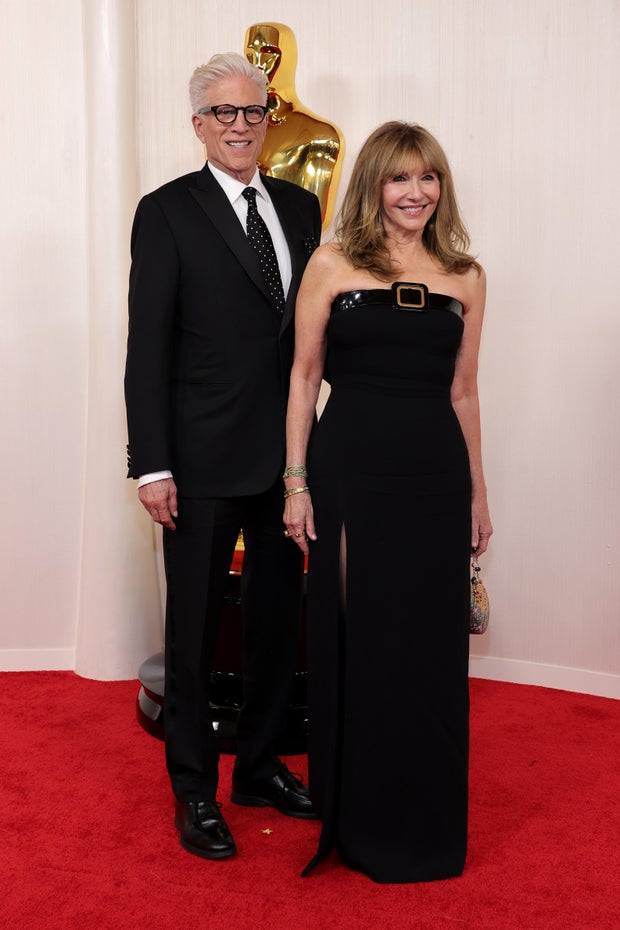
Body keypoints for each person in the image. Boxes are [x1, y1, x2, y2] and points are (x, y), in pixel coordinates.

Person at [283, 121, 493, 883]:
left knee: (428, 653)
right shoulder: (333, 263)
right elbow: (304, 378)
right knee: (357, 642)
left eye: (428, 178)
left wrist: (478, 492)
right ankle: (358, 819)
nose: (416, 193)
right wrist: (296, 482)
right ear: (374, 184)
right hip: (349, 475)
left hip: (434, 478)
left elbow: (464, 392)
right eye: (400, 178)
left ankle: (425, 824)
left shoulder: (465, 275)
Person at [124, 53, 322, 861]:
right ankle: (195, 789)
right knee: (197, 634)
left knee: (278, 626)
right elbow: (147, 347)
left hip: (289, 464)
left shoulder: (303, 208)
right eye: (224, 113)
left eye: (252, 111)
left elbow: (313, 338)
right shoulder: (166, 211)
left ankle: (262, 765)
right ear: (198, 124)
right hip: (199, 463)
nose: (241, 125)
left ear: (267, 119)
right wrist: (152, 463)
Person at [244, 21, 344, 227]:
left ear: (289, 58)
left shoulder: (321, 137)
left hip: (296, 254)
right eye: (250, 55)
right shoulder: (228, 134)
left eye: (269, 53)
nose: (257, 64)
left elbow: (313, 223)